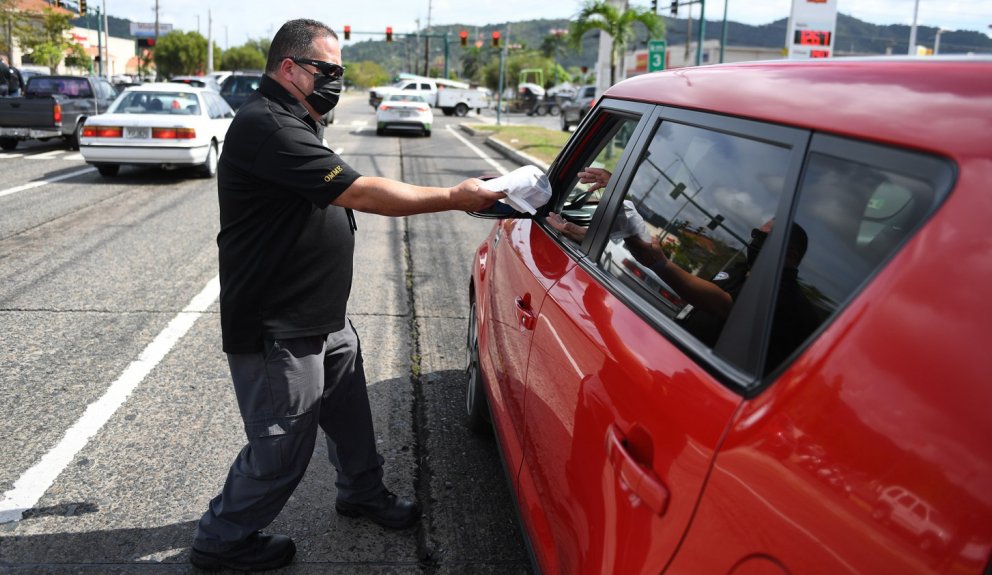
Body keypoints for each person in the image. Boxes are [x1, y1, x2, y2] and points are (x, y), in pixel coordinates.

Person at [190, 19, 504, 572]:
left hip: (322, 313)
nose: (336, 80)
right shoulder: (268, 124)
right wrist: (456, 197)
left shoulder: (296, 118)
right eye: (327, 70)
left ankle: (361, 492)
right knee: (283, 445)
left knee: (351, 416)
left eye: (339, 71)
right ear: (290, 68)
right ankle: (222, 539)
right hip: (278, 322)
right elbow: (360, 191)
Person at [549, 166, 819, 372]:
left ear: (790, 255)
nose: (754, 241)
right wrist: (611, 220)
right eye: (755, 234)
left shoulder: (786, 299)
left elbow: (723, 304)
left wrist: (661, 264)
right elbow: (655, 252)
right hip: (675, 363)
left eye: (763, 238)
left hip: (704, 385)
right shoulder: (743, 269)